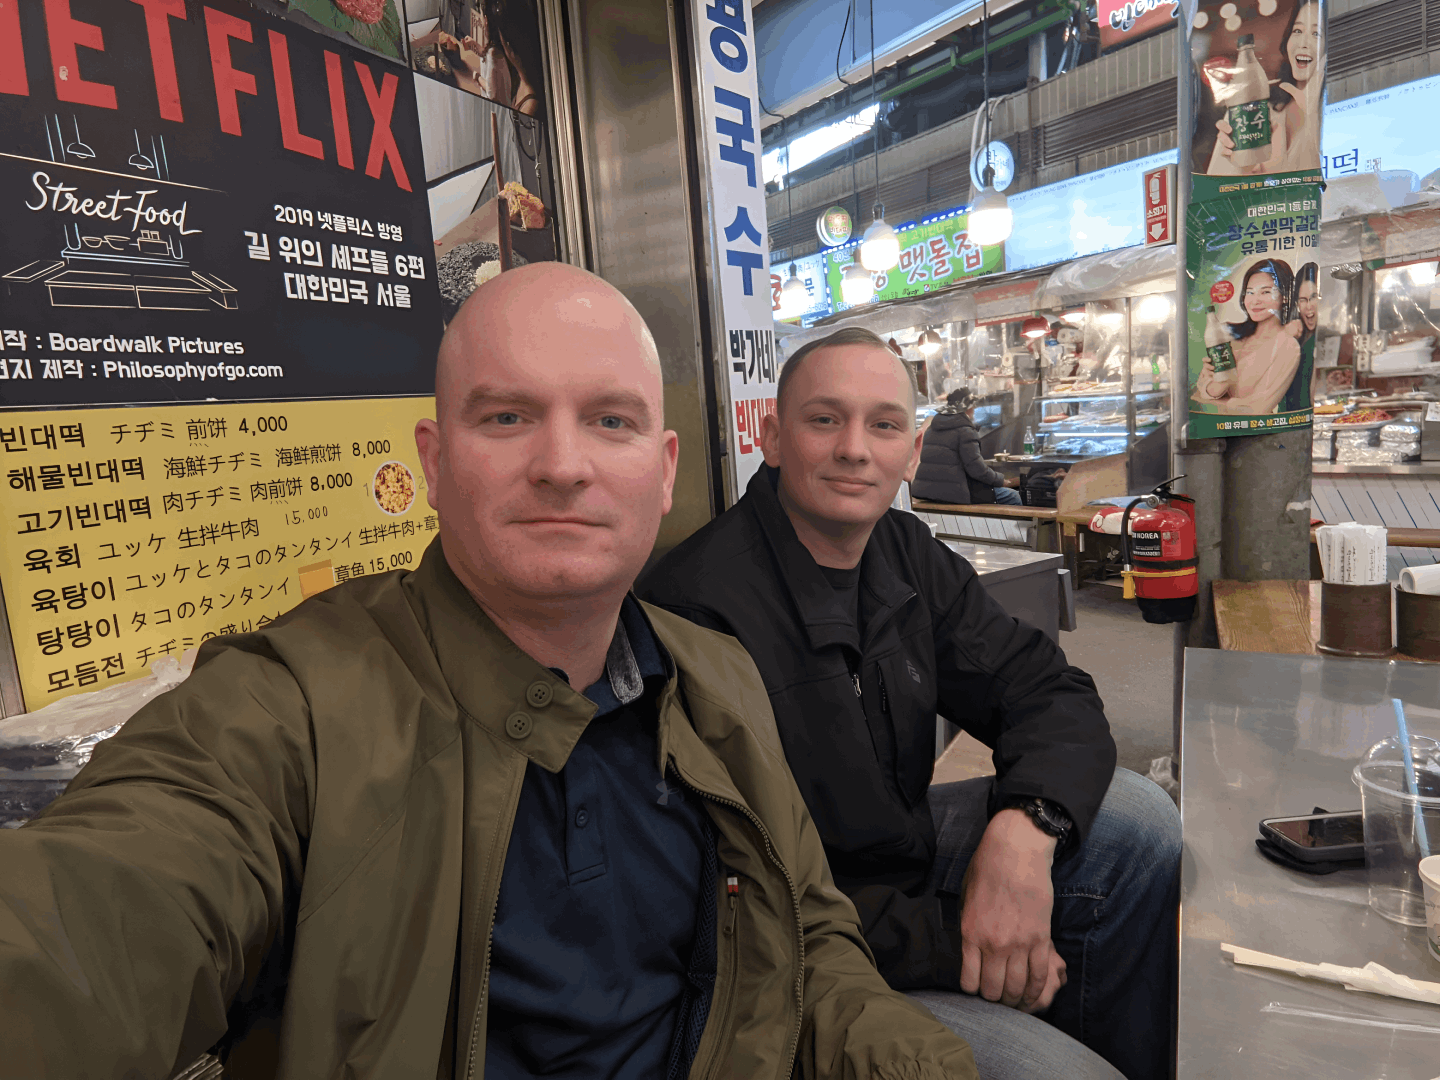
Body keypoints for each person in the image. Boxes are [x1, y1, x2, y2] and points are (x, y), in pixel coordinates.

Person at [0, 268, 977, 1080]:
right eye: (507, 417)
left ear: (666, 467)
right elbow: (103, 913)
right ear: (432, 461)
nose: (562, 465)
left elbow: (809, 937)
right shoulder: (288, 707)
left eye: (610, 422)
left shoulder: (714, 676)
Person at [640, 327, 1182, 1080]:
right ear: (771, 436)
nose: (856, 449)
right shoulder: (697, 607)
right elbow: (730, 900)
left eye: (884, 424)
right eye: (824, 419)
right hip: (803, 956)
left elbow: (1043, 687)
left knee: (1141, 821)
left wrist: (1027, 831)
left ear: (914, 450)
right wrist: (962, 929)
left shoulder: (903, 551)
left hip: (906, 865)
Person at [1208, 0, 1325, 176]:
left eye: (1316, 34)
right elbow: (1211, 196)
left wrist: (1312, 120)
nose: (1303, 43)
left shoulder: (1337, 111)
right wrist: (1237, 166)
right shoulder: (1256, 109)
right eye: (1298, 31)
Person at [1193, 258, 1301, 414]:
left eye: (1265, 292)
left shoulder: (1288, 346)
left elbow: (1258, 408)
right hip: (1216, 432)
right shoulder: (1230, 336)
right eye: (1250, 292)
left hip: (1257, 434)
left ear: (1285, 296)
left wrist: (1209, 403)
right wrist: (1217, 385)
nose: (1255, 300)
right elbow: (1202, 390)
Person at [910, 387, 1021, 505]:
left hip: (928, 492)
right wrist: (1000, 480)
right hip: (955, 494)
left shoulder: (932, 428)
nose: (974, 410)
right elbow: (977, 469)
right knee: (1013, 496)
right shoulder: (965, 431)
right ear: (969, 408)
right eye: (973, 406)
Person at [1281, 261, 1320, 413]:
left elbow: (1313, 396)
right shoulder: (1293, 334)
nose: (1308, 306)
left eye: (1314, 297)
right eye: (1302, 300)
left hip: (1309, 423)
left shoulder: (1323, 338)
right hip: (1285, 423)